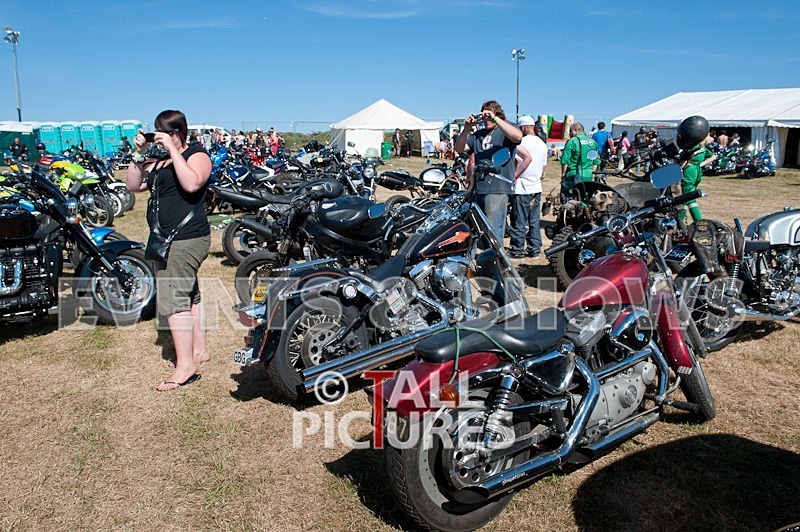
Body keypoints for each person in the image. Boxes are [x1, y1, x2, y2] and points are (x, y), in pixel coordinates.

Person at [125, 110, 212, 391]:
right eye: (156, 131)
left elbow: (192, 182)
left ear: (179, 132)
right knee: (190, 294)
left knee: (174, 298)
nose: (159, 136)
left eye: (165, 131)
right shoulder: (159, 161)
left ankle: (185, 366)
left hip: (187, 237)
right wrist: (138, 154)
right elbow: (133, 185)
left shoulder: (196, 155)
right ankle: (199, 350)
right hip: (167, 240)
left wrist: (174, 151)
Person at [454, 100, 522, 242]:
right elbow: (459, 149)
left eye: (488, 115)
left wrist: (495, 118)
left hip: (497, 189)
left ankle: (495, 263)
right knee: (478, 232)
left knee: (493, 234)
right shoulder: (478, 135)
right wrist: (466, 128)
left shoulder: (505, 130)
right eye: (483, 115)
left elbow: (518, 137)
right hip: (478, 188)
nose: (486, 119)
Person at [509, 115, 547, 258]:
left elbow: (516, 163)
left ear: (523, 127)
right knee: (534, 221)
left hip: (522, 187)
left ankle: (518, 250)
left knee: (519, 220)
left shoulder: (521, 143)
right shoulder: (542, 144)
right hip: (536, 187)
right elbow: (543, 167)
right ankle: (534, 249)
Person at [679, 132, 717, 224]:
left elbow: (682, 159)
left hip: (689, 171)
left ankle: (695, 220)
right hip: (697, 171)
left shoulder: (692, 148)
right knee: (689, 196)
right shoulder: (703, 148)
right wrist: (700, 164)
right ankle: (683, 219)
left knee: (686, 197)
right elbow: (713, 157)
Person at [559, 123, 599, 193]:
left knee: (570, 197)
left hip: (574, 174)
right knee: (585, 196)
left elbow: (565, 161)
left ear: (575, 130)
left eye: (570, 132)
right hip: (588, 175)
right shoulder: (593, 142)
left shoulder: (572, 141)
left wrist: (563, 174)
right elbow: (595, 162)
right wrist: (591, 173)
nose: (569, 134)